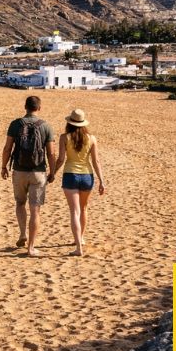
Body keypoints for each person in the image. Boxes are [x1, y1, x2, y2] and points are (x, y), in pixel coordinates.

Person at [2, 96, 57, 256]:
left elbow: (7, 148)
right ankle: (31, 247)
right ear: (39, 108)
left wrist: (4, 166)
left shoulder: (15, 124)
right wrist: (52, 172)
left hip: (19, 171)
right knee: (35, 210)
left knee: (20, 203)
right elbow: (51, 153)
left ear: (25, 107)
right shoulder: (46, 126)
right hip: (38, 172)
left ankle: (22, 234)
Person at [55, 109, 106, 257]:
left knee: (74, 211)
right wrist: (101, 180)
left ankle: (78, 247)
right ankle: (81, 238)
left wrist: (53, 173)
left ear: (69, 122)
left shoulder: (64, 137)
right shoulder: (91, 138)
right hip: (87, 176)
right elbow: (96, 161)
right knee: (83, 209)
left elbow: (61, 159)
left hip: (70, 175)